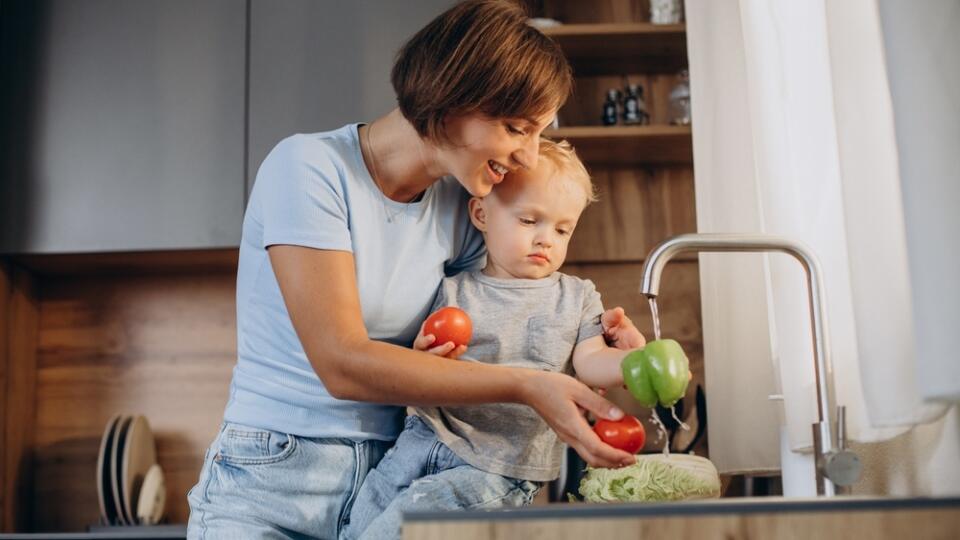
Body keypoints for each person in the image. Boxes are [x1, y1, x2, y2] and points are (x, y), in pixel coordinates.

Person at [186, 2, 644, 538]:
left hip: (403, 473)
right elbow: (342, 363)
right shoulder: (309, 169)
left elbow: (519, 311)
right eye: (517, 128)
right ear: (452, 99)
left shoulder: (465, 201)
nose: (526, 156)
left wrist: (598, 343)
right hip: (275, 476)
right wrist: (527, 386)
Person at [343, 139, 644, 539]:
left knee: (398, 533)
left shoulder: (576, 297)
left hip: (498, 468)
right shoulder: (452, 290)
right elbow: (425, 369)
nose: (546, 239)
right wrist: (424, 355)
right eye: (528, 221)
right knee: (356, 528)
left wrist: (633, 361)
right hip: (419, 444)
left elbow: (590, 361)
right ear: (481, 213)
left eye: (562, 228)